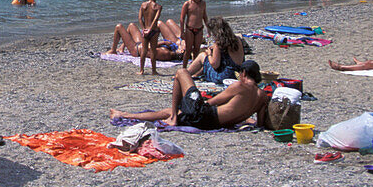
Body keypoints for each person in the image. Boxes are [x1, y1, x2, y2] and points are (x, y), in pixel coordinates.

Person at [109, 61, 268, 130]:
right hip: (213, 124)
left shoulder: (239, 86)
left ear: (244, 73)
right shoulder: (263, 96)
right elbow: (260, 123)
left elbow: (212, 103)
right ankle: (122, 114)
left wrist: (200, 99)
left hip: (204, 115)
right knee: (170, 111)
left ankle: (173, 119)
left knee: (181, 72)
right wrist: (245, 119)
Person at [185, 17, 245, 84]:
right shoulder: (238, 40)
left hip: (224, 76)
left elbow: (215, 65)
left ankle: (185, 74)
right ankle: (194, 74)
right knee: (206, 59)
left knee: (202, 56)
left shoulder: (218, 44)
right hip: (238, 74)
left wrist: (210, 53)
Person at [106, 21, 182, 61]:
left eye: (181, 49)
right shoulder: (170, 51)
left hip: (136, 50)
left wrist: (164, 42)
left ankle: (113, 50)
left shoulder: (165, 54)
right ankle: (121, 48)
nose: (181, 48)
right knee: (131, 25)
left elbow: (148, 47)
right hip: (140, 45)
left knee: (118, 27)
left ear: (180, 52)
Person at [179, 0, 208, 68]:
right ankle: (184, 68)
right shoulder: (187, 4)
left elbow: (204, 16)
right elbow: (182, 19)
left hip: (199, 29)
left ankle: (193, 68)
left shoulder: (203, 3)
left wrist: (208, 28)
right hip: (189, 29)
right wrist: (182, 32)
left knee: (196, 50)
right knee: (188, 50)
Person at [137, 0, 163, 75]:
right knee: (153, 50)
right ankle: (153, 70)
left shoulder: (143, 5)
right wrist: (150, 30)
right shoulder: (158, 7)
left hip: (145, 30)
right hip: (153, 31)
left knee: (144, 50)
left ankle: (141, 70)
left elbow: (140, 18)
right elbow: (156, 19)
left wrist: (144, 29)